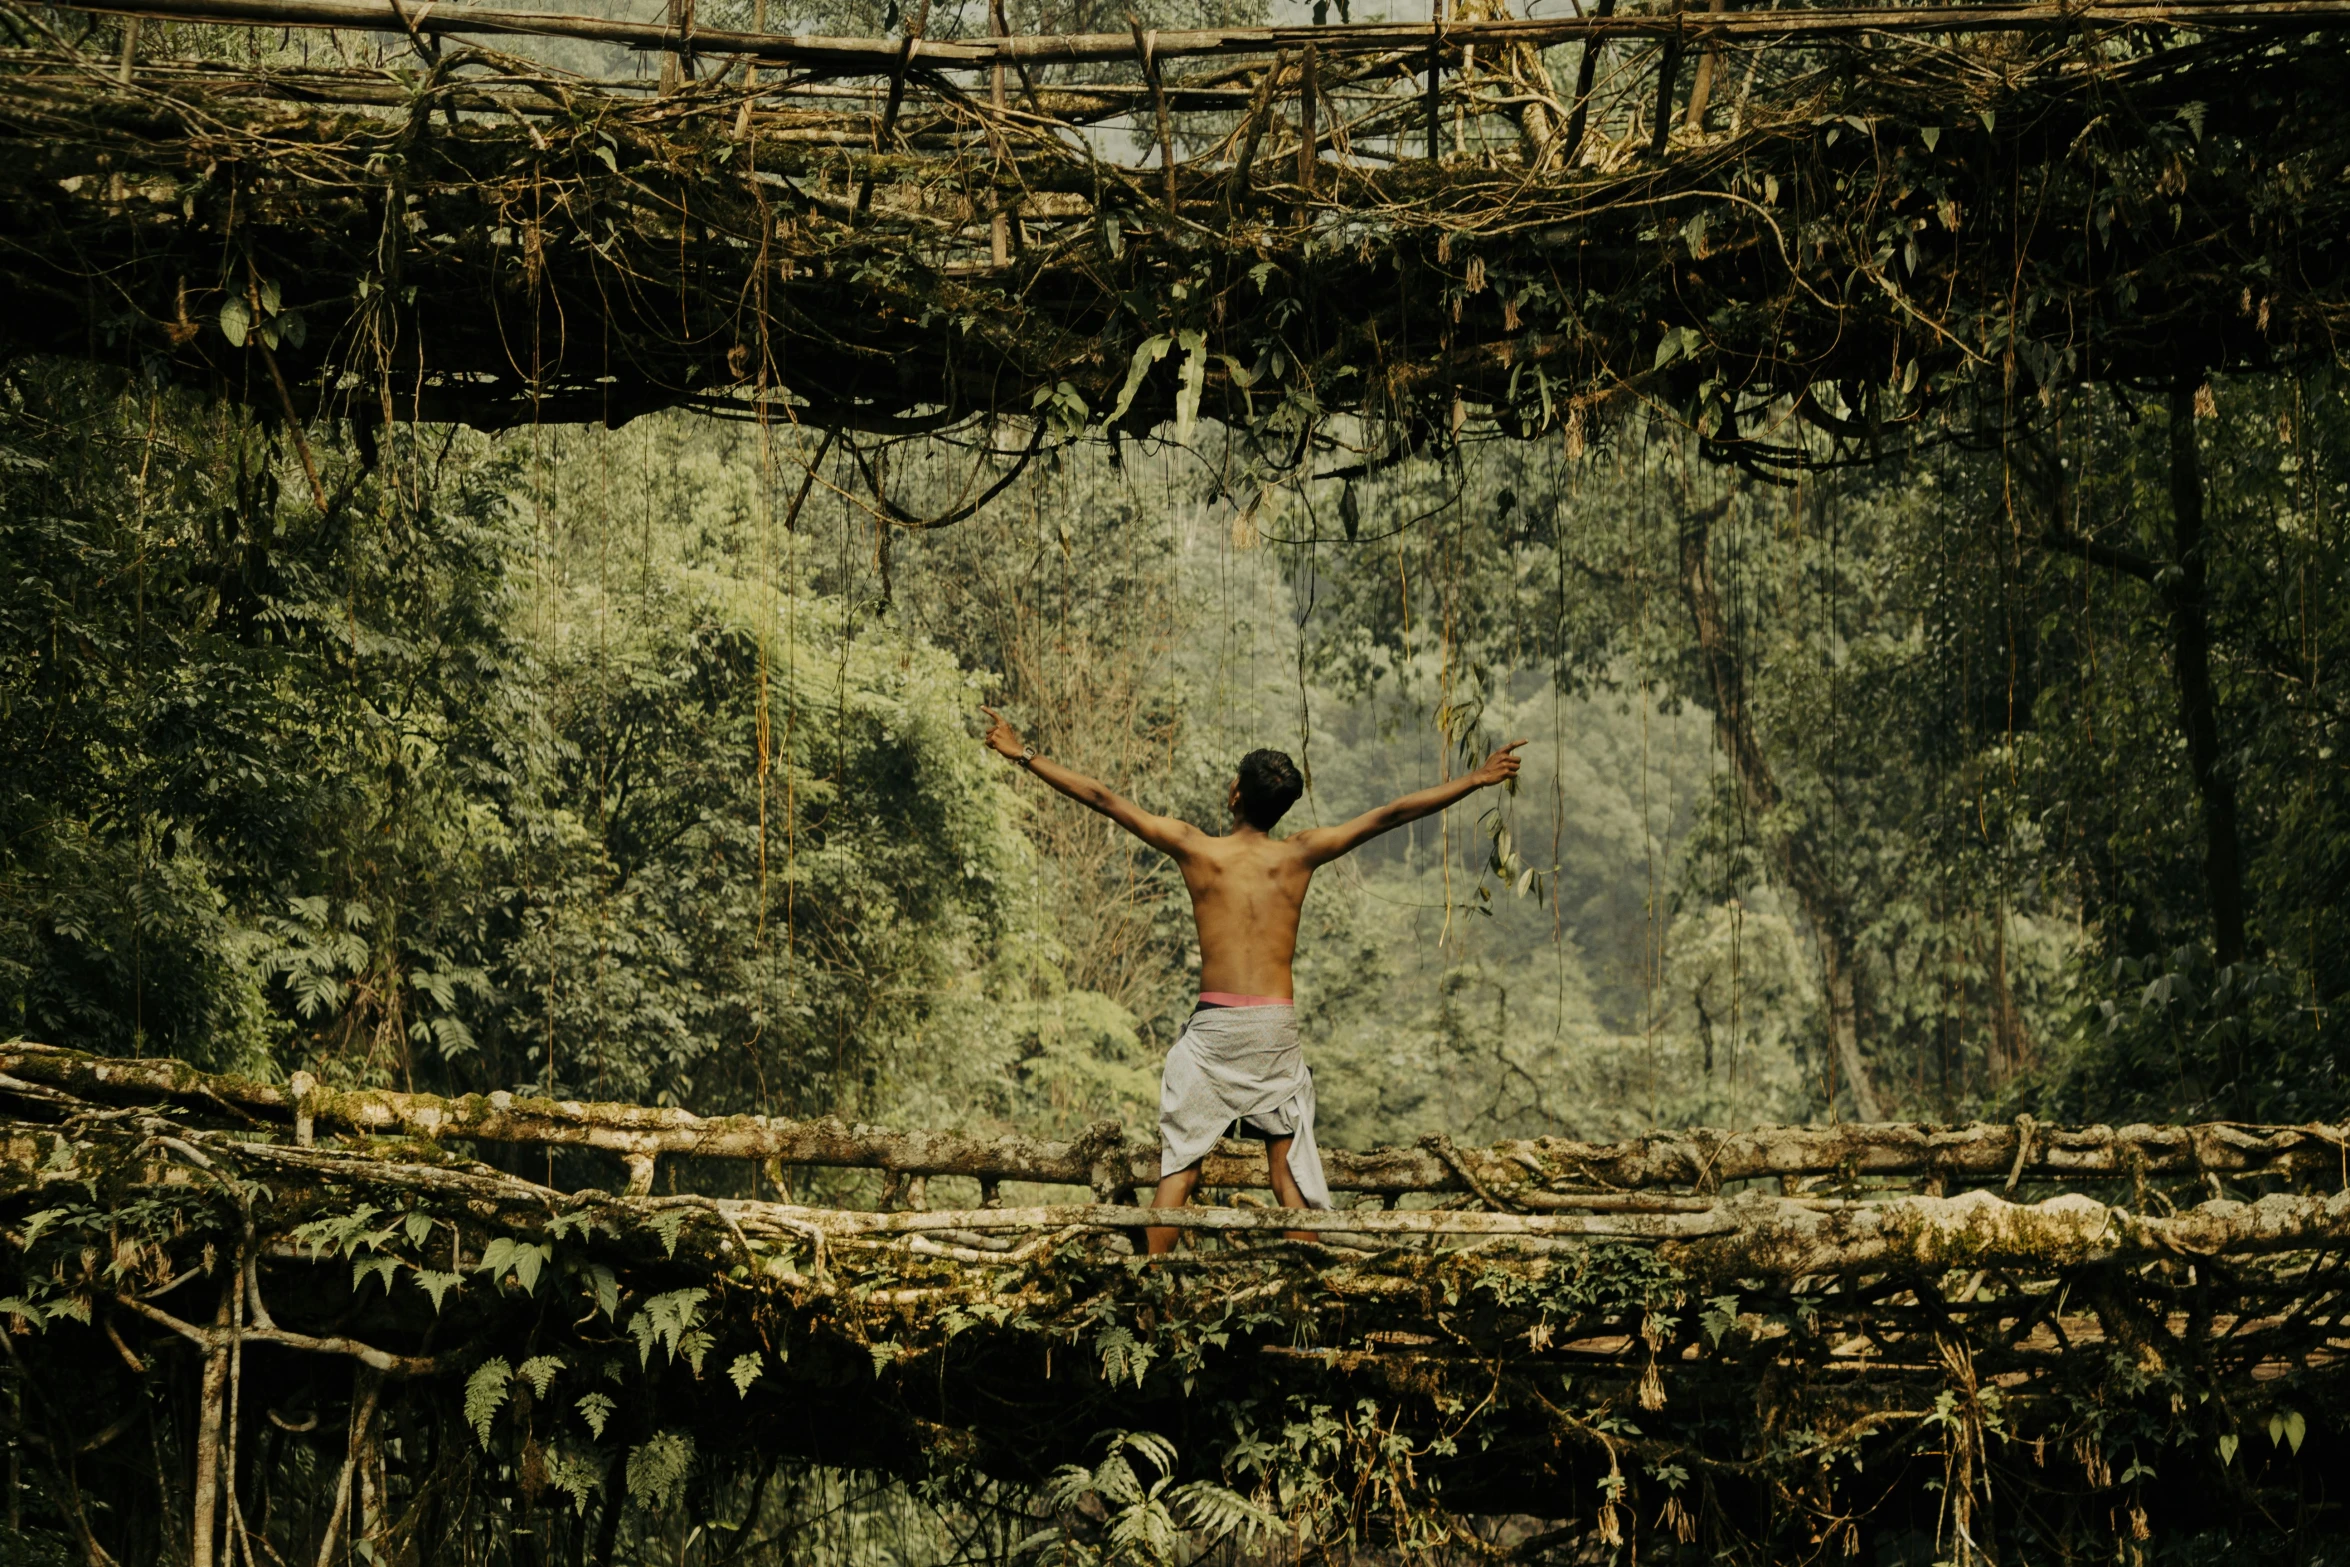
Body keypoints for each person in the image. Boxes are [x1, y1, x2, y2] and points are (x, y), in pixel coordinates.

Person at [979, 707, 1526, 1253]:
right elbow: (1389, 815)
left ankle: (1150, 1290)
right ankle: (1303, 1313)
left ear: (1235, 792)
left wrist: (1023, 753)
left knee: (1182, 1167)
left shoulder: (1197, 848)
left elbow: (1104, 799)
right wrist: (1475, 778)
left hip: (1215, 1027)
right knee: (1287, 1177)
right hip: (1272, 1028)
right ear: (1282, 808)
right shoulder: (1300, 854)